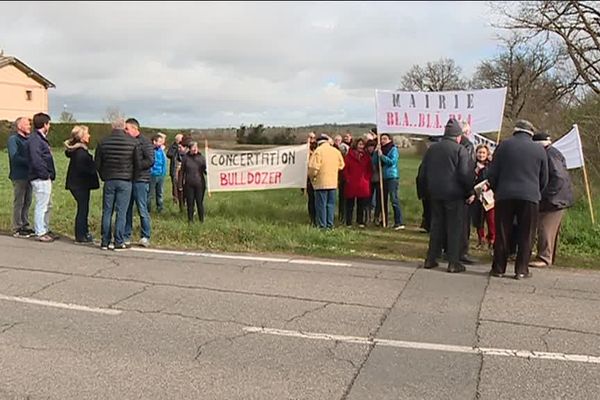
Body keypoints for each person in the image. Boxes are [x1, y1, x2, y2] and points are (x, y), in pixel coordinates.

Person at [487, 120, 549, 279]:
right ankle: (521, 270)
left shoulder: (503, 146)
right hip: (530, 196)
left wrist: (497, 190)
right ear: (531, 132)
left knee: (502, 232)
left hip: (505, 194)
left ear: (515, 131)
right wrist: (536, 191)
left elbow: (492, 173)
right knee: (526, 233)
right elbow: (544, 178)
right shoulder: (539, 150)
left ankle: (498, 269)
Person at [418, 119, 474, 273]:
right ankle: (453, 262)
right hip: (454, 194)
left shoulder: (432, 149)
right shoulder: (460, 150)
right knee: (454, 228)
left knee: (437, 226)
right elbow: (464, 174)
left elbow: (422, 172)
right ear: (458, 136)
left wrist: (423, 192)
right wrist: (469, 192)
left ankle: (431, 259)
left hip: (434, 193)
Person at [529, 132, 574, 268]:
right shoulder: (554, 152)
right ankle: (548, 256)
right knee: (550, 229)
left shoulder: (549, 155)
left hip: (554, 200)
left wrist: (546, 194)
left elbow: (558, 177)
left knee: (545, 228)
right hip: (559, 198)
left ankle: (544, 258)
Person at [95, 118, 137, 251]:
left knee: (107, 211)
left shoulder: (103, 142)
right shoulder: (132, 142)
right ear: (124, 127)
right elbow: (136, 163)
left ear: (112, 127)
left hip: (109, 180)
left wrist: (103, 175)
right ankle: (118, 241)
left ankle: (105, 241)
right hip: (125, 180)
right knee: (121, 212)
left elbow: (97, 163)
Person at [64, 125, 100, 244]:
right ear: (82, 136)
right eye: (87, 134)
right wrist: (94, 167)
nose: (89, 136)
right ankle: (81, 235)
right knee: (83, 210)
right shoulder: (80, 152)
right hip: (80, 185)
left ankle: (83, 233)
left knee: (83, 209)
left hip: (77, 184)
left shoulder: (77, 150)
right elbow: (83, 169)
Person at [124, 118, 154, 248]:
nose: (125, 131)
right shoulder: (126, 141)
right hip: (128, 179)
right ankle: (126, 235)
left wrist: (137, 166)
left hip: (141, 180)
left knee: (142, 209)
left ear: (135, 129)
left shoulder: (145, 142)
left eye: (127, 129)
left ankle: (145, 236)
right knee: (127, 209)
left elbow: (150, 160)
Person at [27, 113, 56, 243]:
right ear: (45, 124)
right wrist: (44, 174)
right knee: (42, 205)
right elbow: (36, 159)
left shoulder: (39, 138)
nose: (49, 126)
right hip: (40, 178)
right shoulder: (35, 139)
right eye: (48, 124)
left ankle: (44, 227)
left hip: (43, 176)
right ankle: (40, 231)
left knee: (47, 204)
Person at [308, 134, 345, 229]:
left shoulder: (318, 151)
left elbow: (313, 167)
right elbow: (342, 165)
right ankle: (330, 224)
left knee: (321, 205)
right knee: (331, 205)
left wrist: (312, 177)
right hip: (333, 182)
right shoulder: (335, 151)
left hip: (321, 182)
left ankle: (322, 225)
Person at [7, 117, 34, 238]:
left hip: (29, 174)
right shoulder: (14, 140)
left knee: (28, 200)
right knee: (19, 201)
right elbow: (14, 157)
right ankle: (17, 227)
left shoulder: (29, 140)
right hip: (19, 175)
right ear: (19, 126)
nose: (29, 126)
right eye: (27, 124)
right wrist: (30, 161)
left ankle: (25, 224)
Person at [372, 133, 404, 230]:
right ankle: (384, 220)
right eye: (381, 139)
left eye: (385, 139)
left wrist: (382, 156)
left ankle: (399, 222)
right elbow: (374, 162)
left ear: (390, 140)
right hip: (383, 177)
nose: (382, 141)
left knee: (393, 199)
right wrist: (375, 153)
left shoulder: (393, 149)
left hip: (392, 177)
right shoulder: (380, 149)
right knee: (383, 200)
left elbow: (391, 162)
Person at [343, 138, 372, 227]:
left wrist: (367, 178)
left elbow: (369, 169)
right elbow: (345, 168)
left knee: (361, 203)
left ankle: (360, 221)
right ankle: (348, 221)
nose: (361, 146)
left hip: (363, 183)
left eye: (362, 145)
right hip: (351, 182)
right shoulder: (349, 156)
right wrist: (348, 178)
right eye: (359, 144)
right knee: (350, 203)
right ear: (356, 145)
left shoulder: (366, 156)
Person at [472, 144, 495, 250]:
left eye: (483, 153)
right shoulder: (472, 166)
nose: (481, 155)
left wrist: (488, 185)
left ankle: (491, 239)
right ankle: (481, 239)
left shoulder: (491, 166)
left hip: (488, 196)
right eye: (479, 152)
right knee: (479, 219)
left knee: (491, 219)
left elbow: (494, 178)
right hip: (476, 196)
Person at [179, 142, 207, 223]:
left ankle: (201, 220)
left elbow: (205, 171)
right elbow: (182, 172)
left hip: (200, 184)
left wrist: (207, 169)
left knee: (199, 203)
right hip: (189, 184)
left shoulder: (201, 157)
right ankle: (190, 220)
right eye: (193, 147)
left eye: (196, 147)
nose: (195, 149)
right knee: (190, 203)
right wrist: (180, 184)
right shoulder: (185, 158)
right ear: (189, 148)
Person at [149, 134, 167, 213]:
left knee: (160, 193)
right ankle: (147, 209)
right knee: (150, 194)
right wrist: (151, 172)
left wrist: (163, 173)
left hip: (161, 175)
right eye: (159, 142)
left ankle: (160, 208)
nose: (161, 143)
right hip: (152, 175)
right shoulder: (150, 150)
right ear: (154, 142)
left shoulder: (161, 151)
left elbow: (164, 162)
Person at [167, 133, 184, 205]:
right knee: (175, 184)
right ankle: (175, 199)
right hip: (175, 168)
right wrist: (176, 150)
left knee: (182, 184)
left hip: (182, 167)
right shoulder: (173, 146)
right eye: (180, 139)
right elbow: (168, 154)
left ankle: (182, 199)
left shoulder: (184, 146)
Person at [305, 132, 318, 226]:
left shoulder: (318, 149)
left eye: (313, 137)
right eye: (310, 137)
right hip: (309, 177)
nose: (312, 139)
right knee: (311, 199)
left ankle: (318, 217)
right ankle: (312, 218)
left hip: (318, 177)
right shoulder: (305, 150)